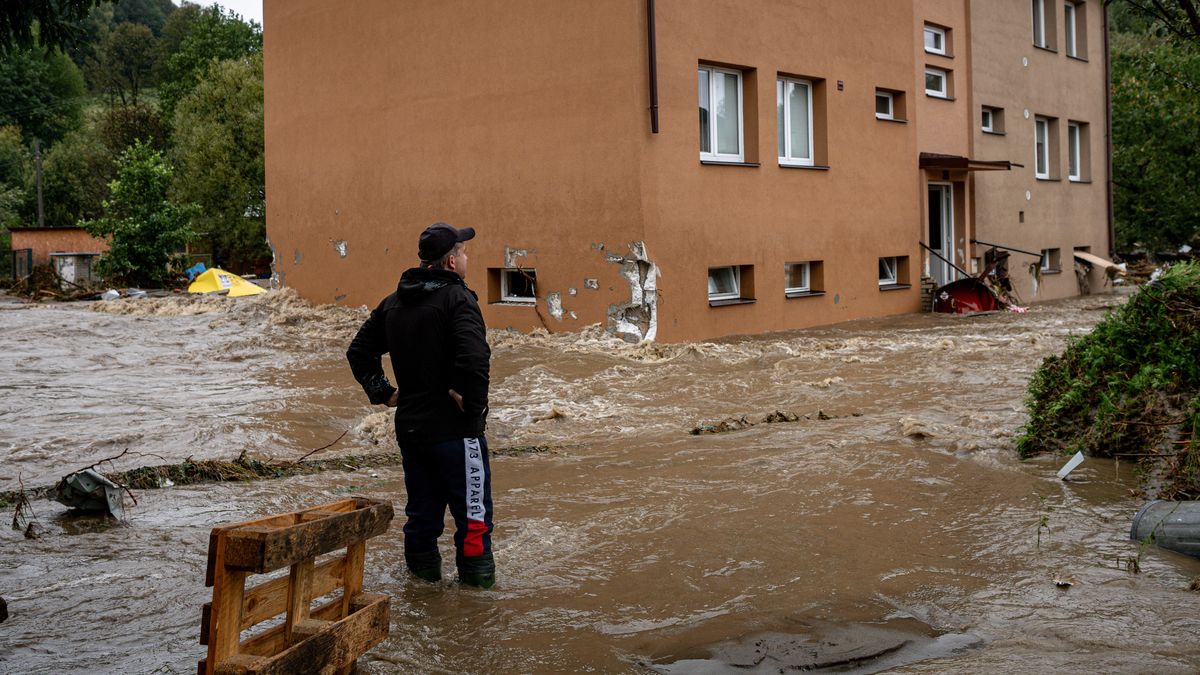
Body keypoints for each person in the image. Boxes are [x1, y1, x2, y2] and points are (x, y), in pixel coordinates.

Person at [346, 222, 494, 588]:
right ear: (449, 262)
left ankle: (424, 596)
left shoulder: (394, 302)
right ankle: (477, 609)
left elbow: (359, 351)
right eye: (463, 252)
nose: (466, 258)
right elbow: (475, 358)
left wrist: (385, 392)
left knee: (422, 518)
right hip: (456, 433)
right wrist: (473, 407)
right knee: (474, 522)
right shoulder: (458, 299)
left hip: (412, 430)